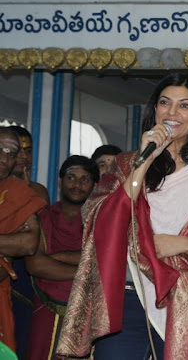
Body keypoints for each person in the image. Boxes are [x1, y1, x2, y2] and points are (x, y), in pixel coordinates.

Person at [57, 73, 188, 360]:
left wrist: (187, 245)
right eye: (165, 102)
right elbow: (100, 221)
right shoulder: (126, 164)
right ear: (155, 110)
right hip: (128, 298)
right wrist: (144, 161)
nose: (172, 112)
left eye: (185, 106)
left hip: (186, 302)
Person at [25, 155, 99, 360]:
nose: (77, 184)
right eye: (71, 177)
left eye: (85, 179)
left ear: (95, 185)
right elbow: (35, 265)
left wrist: (58, 257)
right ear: (60, 181)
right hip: (45, 307)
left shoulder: (101, 221)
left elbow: (101, 260)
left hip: (88, 309)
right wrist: (86, 270)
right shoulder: (43, 217)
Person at [0, 127, 46, 353]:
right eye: (0, 150)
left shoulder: (20, 192)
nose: (5, 159)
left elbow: (28, 244)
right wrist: (9, 241)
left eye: (11, 154)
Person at [8, 126, 50, 205]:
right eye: (17, 150)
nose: (24, 156)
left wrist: (27, 191)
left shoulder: (39, 191)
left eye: (28, 151)